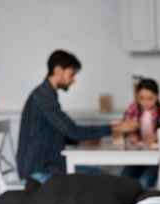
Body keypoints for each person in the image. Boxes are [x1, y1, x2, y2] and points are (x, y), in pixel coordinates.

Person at [17, 49, 136, 183]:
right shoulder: (44, 97)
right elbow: (72, 130)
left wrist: (78, 141)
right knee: (104, 181)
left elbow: (52, 132)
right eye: (71, 74)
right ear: (58, 70)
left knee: (104, 177)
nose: (73, 80)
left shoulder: (46, 94)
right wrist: (115, 128)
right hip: (39, 173)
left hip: (46, 168)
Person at [120, 78, 160, 188]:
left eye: (150, 98)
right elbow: (122, 128)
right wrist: (130, 135)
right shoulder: (133, 109)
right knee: (124, 179)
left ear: (157, 96)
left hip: (159, 158)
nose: (145, 102)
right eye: (141, 98)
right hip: (137, 156)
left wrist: (158, 137)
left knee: (144, 182)